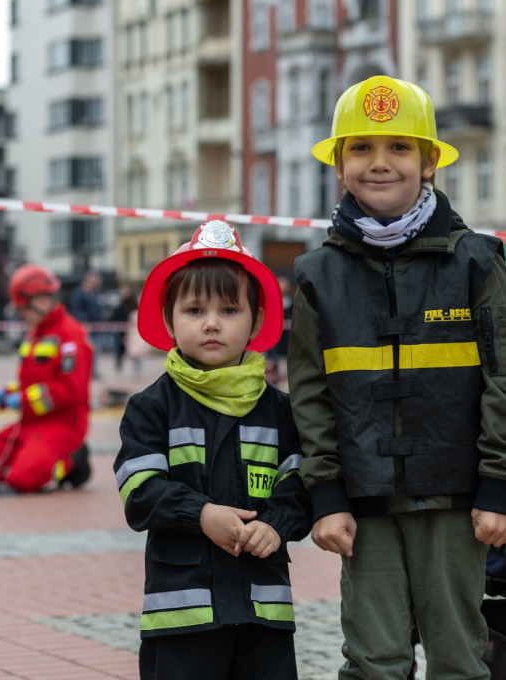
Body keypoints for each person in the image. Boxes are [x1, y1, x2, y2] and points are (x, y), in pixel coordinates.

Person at [288, 75, 506, 680]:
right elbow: (310, 394)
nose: (379, 163)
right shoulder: (318, 274)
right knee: (373, 659)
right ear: (340, 166)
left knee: (458, 658)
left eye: (399, 147)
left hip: (456, 501)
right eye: (361, 148)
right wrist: (326, 495)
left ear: (429, 162)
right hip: (364, 503)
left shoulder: (475, 260)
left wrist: (498, 486)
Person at [114, 220, 312, 680]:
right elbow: (139, 492)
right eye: (194, 310)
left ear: (256, 320)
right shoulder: (151, 407)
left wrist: (277, 525)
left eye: (229, 309)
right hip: (183, 614)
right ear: (169, 320)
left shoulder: (280, 411)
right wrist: (200, 514)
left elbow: (303, 484)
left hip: (263, 610)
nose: (211, 323)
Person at [0, 264, 93, 493]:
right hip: (29, 423)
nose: (21, 316)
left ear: (41, 301)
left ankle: (73, 461)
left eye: (22, 310)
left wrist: (24, 399)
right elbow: (30, 382)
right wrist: (8, 393)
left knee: (24, 478)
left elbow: (72, 391)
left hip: (62, 425)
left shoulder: (70, 335)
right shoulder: (34, 335)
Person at [108, 283, 137, 374]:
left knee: (134, 350)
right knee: (118, 349)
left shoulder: (133, 304)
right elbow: (114, 317)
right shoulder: (119, 304)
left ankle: (136, 370)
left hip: (131, 331)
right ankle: (119, 366)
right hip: (119, 331)